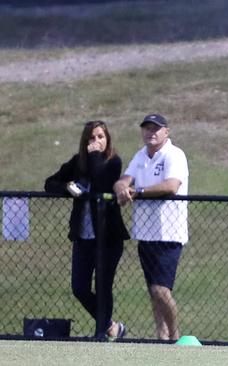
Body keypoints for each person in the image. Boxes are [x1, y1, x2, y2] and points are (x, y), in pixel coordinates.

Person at [44, 120, 129, 339]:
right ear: (84, 141)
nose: (96, 142)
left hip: (108, 237)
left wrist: (94, 157)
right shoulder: (77, 163)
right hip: (83, 237)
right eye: (91, 138)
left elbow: (101, 181)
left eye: (100, 137)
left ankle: (100, 334)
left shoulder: (113, 162)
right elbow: (50, 183)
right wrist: (68, 188)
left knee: (103, 286)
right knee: (79, 287)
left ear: (107, 139)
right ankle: (111, 326)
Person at [113, 113, 189, 340]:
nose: (150, 132)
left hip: (169, 233)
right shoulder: (141, 156)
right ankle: (161, 337)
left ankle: (174, 335)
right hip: (145, 234)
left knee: (161, 289)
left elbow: (172, 185)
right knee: (153, 293)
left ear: (166, 131)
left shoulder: (174, 155)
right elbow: (124, 179)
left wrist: (139, 192)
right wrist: (121, 188)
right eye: (146, 128)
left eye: (156, 128)